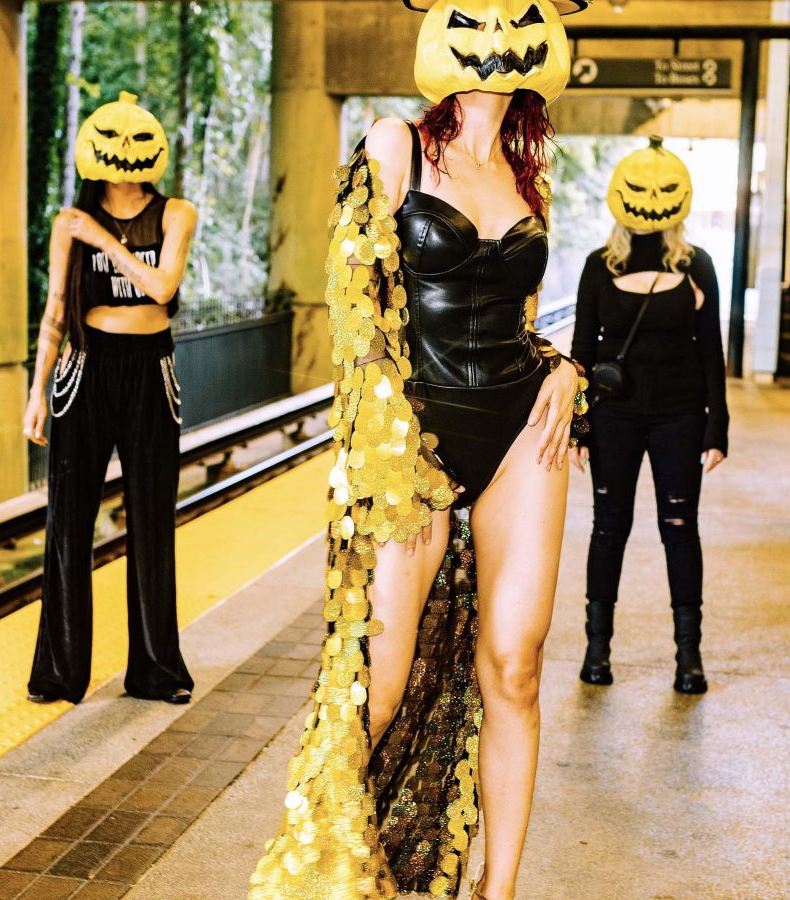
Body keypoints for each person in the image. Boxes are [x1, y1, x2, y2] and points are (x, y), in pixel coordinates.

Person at [251, 2, 590, 898]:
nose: (498, 36)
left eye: (520, 14)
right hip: (409, 441)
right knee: (380, 685)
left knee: (515, 666)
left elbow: (512, 319)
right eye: (476, 13)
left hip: (519, 432)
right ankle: (322, 875)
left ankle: (497, 890)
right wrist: (390, 452)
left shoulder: (527, 173)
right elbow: (354, 308)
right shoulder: (395, 144)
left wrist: (562, 366)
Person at [22, 92, 197, 706]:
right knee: (68, 522)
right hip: (85, 369)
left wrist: (104, 239)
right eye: (114, 141)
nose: (126, 153)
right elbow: (54, 310)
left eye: (137, 140)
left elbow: (162, 287)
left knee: (151, 520)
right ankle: (60, 672)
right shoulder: (68, 223)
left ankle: (156, 671)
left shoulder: (175, 214)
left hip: (150, 371)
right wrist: (36, 391)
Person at [568, 136, 729, 696]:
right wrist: (578, 426)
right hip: (613, 417)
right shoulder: (598, 266)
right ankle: (596, 651)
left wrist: (718, 428)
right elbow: (582, 353)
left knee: (680, 529)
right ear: (621, 196)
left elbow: (711, 351)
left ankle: (689, 658)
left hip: (680, 416)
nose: (651, 200)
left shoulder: (697, 265)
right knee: (608, 528)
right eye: (640, 189)